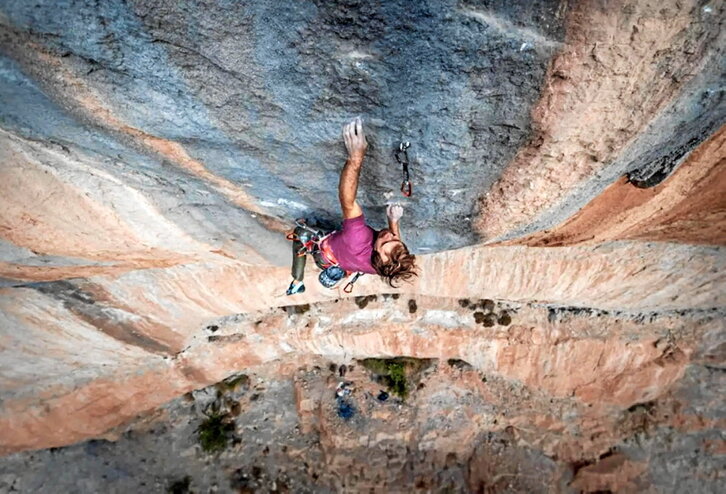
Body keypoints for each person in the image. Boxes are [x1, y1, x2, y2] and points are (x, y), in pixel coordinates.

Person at [287, 117, 417, 295]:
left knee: (300, 232)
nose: (390, 236)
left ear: (376, 254)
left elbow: (347, 201)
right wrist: (393, 221)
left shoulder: (359, 239)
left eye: (385, 241)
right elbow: (392, 244)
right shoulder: (387, 266)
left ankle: (297, 280)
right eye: (396, 241)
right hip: (347, 261)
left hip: (327, 255)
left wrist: (355, 158)